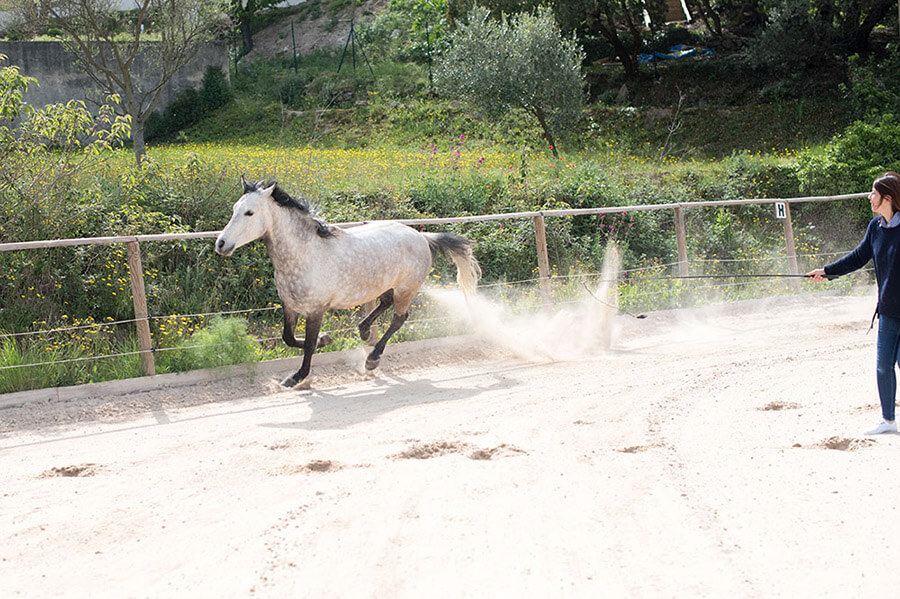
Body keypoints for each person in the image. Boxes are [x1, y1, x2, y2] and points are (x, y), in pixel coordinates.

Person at [808, 171, 900, 435]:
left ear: (887, 197)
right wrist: (826, 271)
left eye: (873, 193)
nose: (870, 197)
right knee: (883, 366)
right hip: (888, 312)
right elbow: (858, 257)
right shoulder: (876, 228)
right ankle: (888, 421)